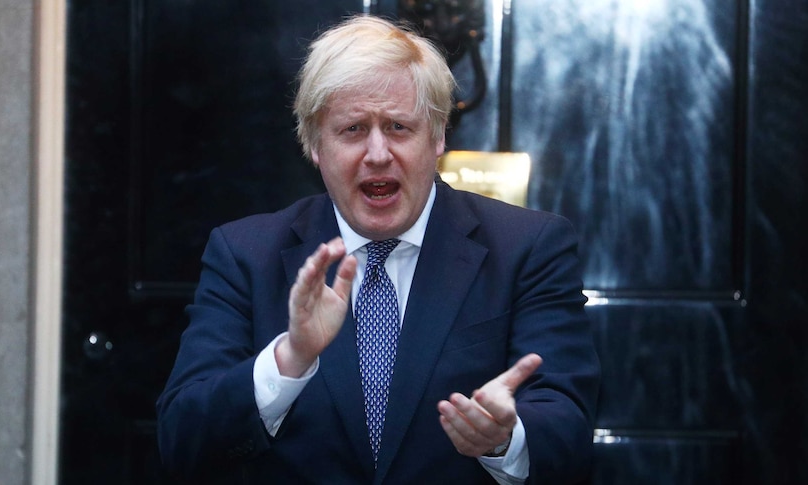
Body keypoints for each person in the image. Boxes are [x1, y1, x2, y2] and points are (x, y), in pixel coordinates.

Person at [156, 14, 600, 484]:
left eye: (398, 127)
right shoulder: (245, 254)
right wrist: (289, 360)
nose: (377, 153)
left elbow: (568, 431)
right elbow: (183, 440)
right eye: (352, 130)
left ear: (438, 136)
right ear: (315, 147)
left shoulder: (528, 247)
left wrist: (503, 440)